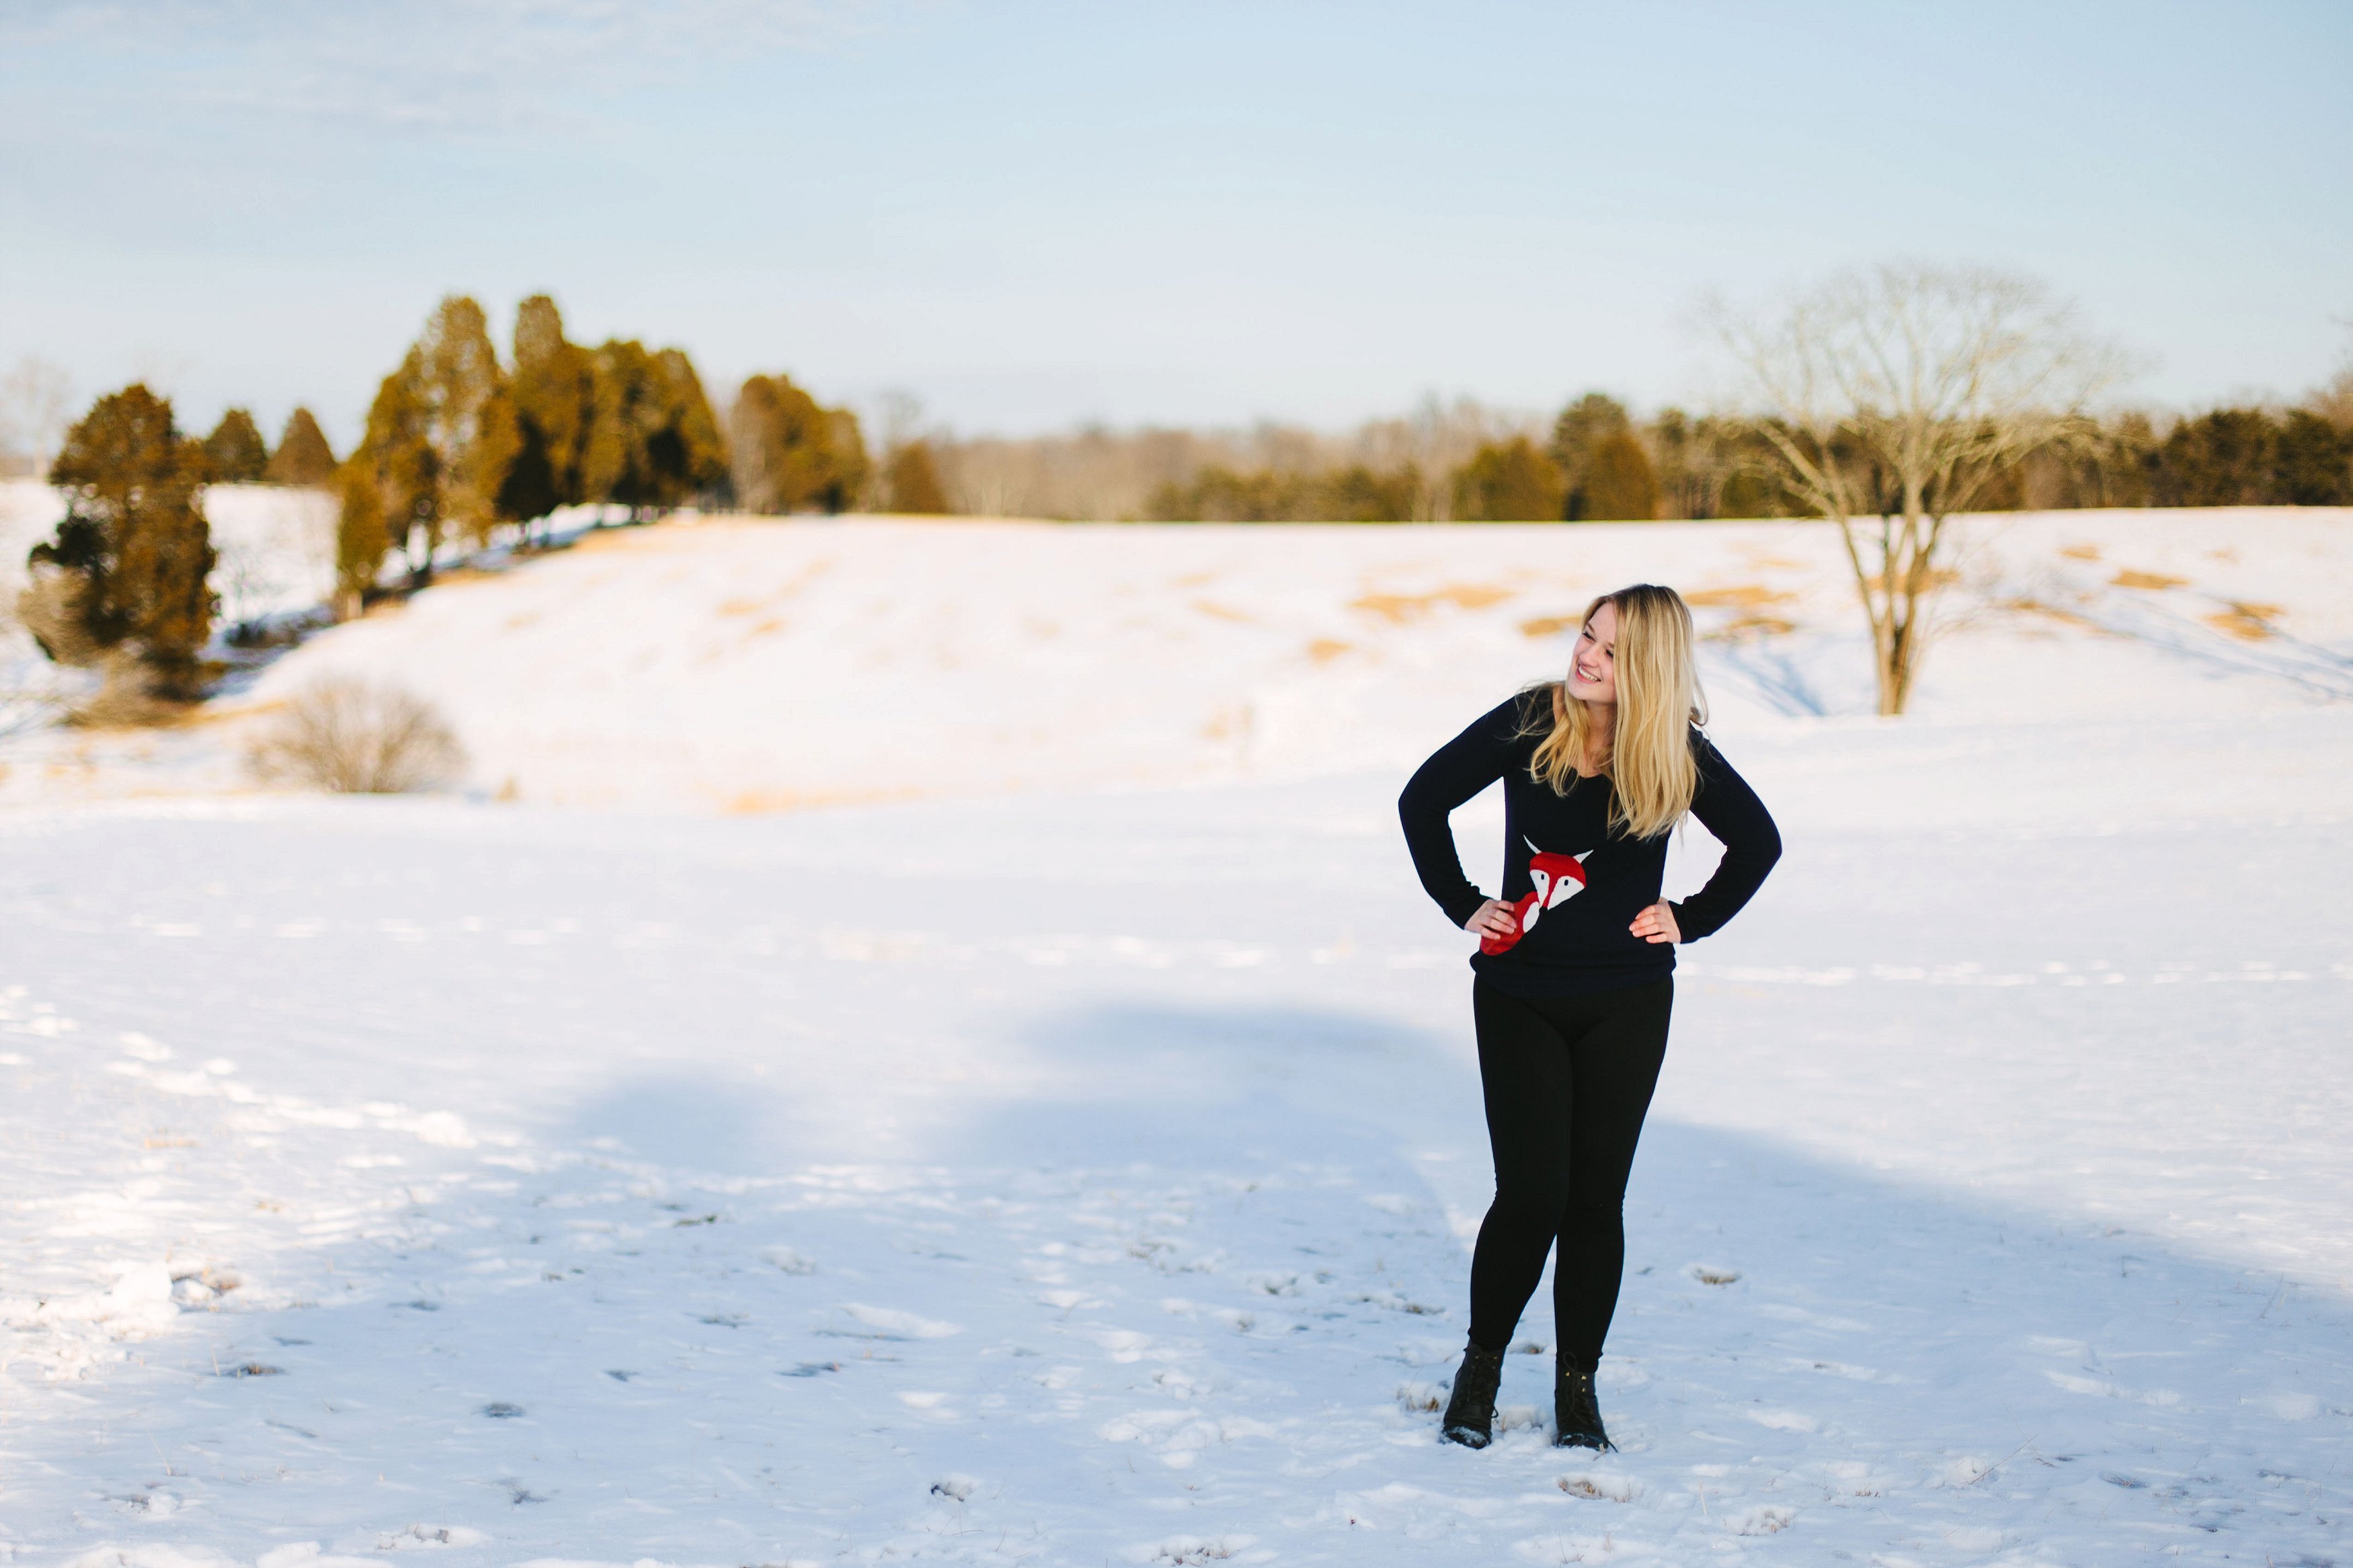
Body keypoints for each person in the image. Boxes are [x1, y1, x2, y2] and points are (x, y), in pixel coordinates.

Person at [1397, 583, 1780, 1450]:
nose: (1584, 656)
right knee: (1532, 1194)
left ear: (1647, 666)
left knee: (1596, 1200)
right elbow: (1421, 800)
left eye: (1608, 649)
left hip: (1628, 1003)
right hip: (1520, 994)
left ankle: (1578, 1390)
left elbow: (1759, 843)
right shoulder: (1533, 719)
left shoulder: (1672, 751)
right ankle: (1480, 1369)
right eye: (1584, 636)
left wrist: (1692, 915)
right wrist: (1464, 903)